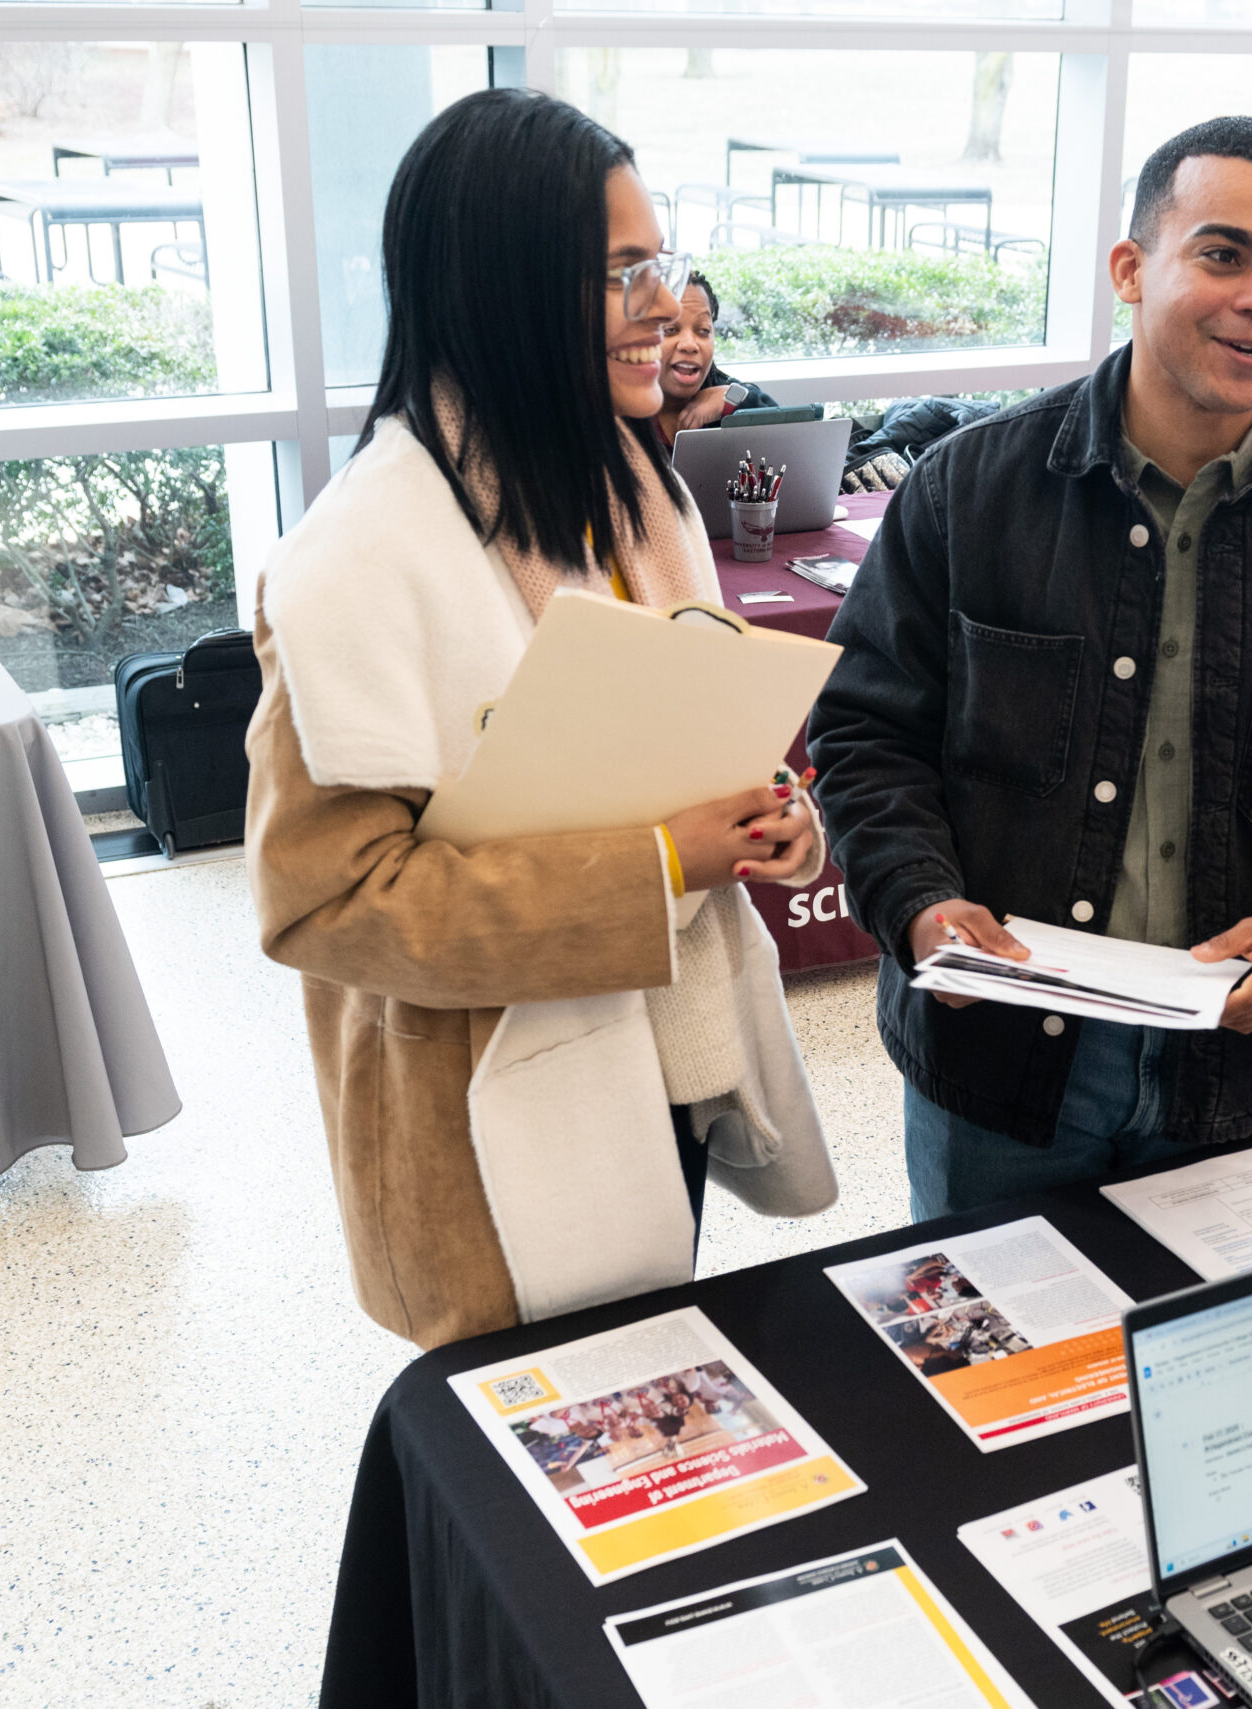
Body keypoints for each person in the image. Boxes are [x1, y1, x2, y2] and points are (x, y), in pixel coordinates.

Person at [806, 116, 1252, 1218]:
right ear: (1130, 269)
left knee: (1209, 1333)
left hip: (1236, 1056)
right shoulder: (964, 492)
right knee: (996, 1333)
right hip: (996, 1056)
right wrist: (920, 903)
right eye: (1224, 254)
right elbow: (865, 731)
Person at [243, 88, 838, 1350]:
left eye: (660, 262)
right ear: (502, 285)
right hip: (487, 1128)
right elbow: (324, 902)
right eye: (621, 274)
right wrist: (661, 862)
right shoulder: (355, 561)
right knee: (529, 1432)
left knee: (654, 1367)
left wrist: (772, 816)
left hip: (665, 1063)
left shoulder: (633, 489)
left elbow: (678, 733)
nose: (666, 307)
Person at [650, 269, 778, 437]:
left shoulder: (724, 396)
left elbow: (786, 433)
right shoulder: (623, 413)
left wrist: (733, 399)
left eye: (703, 330)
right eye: (670, 329)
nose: (690, 345)